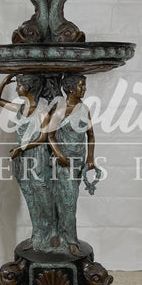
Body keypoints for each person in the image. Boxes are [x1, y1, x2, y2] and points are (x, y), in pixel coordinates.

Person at [0, 74, 54, 251]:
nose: (17, 88)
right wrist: (4, 81)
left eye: (19, 85)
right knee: (30, 198)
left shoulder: (42, 110)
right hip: (21, 159)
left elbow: (43, 137)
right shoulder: (20, 108)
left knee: (43, 198)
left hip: (37, 157)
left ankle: (50, 236)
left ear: (28, 87)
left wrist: (22, 146)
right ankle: (37, 235)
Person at [48, 74, 96, 256]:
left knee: (67, 199)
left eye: (84, 85)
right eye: (81, 85)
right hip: (64, 163)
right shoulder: (60, 110)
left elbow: (90, 135)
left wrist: (90, 158)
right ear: (69, 88)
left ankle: (59, 233)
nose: (84, 88)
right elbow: (50, 136)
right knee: (69, 201)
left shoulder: (84, 109)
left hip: (79, 161)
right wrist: (59, 154)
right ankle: (70, 240)